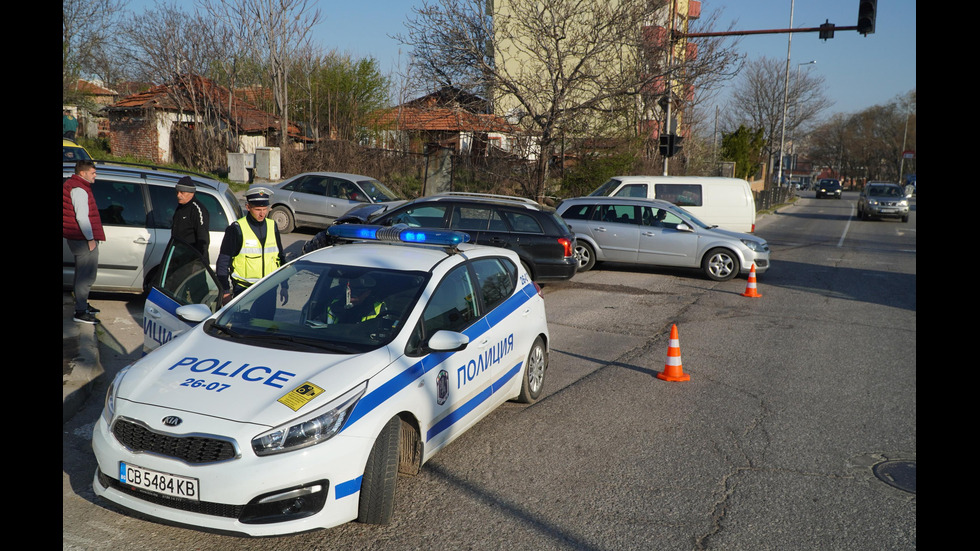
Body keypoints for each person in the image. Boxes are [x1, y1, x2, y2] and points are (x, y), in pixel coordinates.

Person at [215, 187, 288, 304]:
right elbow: (223, 263)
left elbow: (281, 257)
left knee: (265, 322)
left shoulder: (272, 226)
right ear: (248, 207)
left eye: (265, 209)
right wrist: (226, 291)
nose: (262, 214)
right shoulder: (236, 229)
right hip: (244, 291)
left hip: (269, 290)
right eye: (258, 209)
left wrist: (285, 285)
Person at [63, 160, 105, 324]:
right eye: (93, 172)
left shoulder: (77, 186)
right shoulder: (79, 190)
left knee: (83, 274)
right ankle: (80, 312)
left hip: (79, 238)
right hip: (82, 239)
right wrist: (90, 239)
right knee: (86, 276)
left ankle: (82, 305)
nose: (95, 175)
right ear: (82, 173)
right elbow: (81, 217)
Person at [171, 176, 210, 262]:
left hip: (192, 261)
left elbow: (203, 239)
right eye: (177, 192)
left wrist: (198, 262)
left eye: (182, 192)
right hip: (178, 257)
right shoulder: (180, 208)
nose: (178, 195)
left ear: (191, 193)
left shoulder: (198, 210)